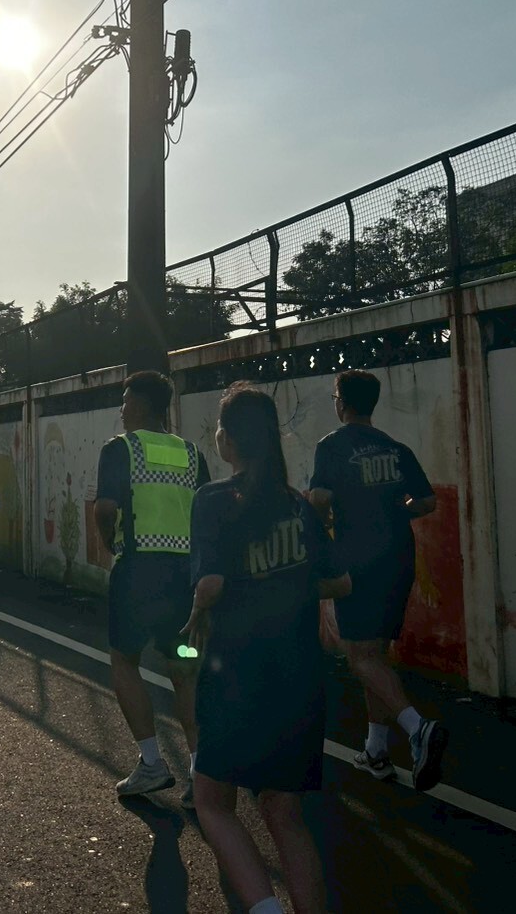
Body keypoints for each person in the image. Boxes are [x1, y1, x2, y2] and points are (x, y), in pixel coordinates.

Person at [182, 384, 350, 914]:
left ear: (228, 440)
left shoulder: (213, 499)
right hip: (300, 677)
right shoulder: (297, 503)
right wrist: (286, 583)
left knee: (212, 802)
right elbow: (340, 582)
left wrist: (196, 613)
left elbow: (210, 584)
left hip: (237, 675)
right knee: (286, 814)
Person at [307, 368, 446, 791]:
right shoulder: (396, 448)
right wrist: (394, 509)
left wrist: (323, 527)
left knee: (359, 657)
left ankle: (417, 727)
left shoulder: (332, 445)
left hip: (358, 560)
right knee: (376, 655)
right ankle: (376, 750)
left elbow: (319, 498)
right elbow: (426, 501)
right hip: (400, 557)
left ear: (342, 403)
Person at [93, 370, 210, 803]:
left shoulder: (121, 448)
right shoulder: (193, 453)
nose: (122, 409)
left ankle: (152, 763)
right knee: (184, 669)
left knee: (125, 660)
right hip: (185, 576)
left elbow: (105, 508)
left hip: (139, 571)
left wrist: (110, 543)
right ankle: (200, 775)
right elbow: (207, 512)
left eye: (126, 400)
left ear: (142, 404)